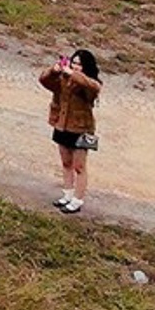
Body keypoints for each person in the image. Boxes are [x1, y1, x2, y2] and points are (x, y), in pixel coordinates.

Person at [39, 48, 102, 214]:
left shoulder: (89, 83)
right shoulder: (62, 79)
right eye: (73, 63)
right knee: (66, 163)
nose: (75, 66)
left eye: (79, 65)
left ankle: (77, 199)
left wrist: (72, 74)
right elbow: (44, 81)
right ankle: (67, 194)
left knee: (79, 166)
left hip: (82, 128)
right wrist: (53, 71)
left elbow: (93, 87)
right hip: (62, 124)